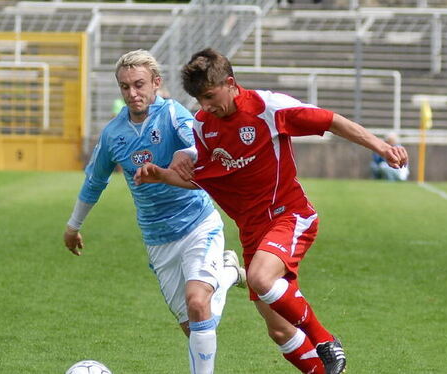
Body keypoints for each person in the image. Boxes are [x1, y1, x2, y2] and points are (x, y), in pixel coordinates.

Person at [134, 48, 408, 374]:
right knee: (279, 329)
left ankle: (324, 340)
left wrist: (382, 147)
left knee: (261, 278)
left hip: (289, 215)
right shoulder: (204, 126)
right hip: (252, 234)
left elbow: (331, 121)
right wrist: (163, 176)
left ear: (231, 83)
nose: (205, 106)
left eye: (209, 95)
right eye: (199, 99)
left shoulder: (268, 108)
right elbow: (207, 180)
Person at [63, 49, 245, 374]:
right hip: (158, 240)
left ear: (156, 82)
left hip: (197, 225)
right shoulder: (113, 135)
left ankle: (225, 276)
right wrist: (73, 225)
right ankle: (229, 274)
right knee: (196, 328)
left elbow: (198, 143)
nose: (132, 93)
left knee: (198, 302)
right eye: (125, 87)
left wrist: (185, 154)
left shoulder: (172, 114)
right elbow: (94, 181)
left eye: (139, 84)